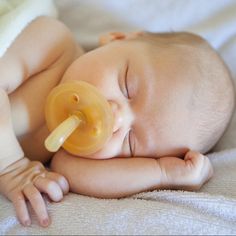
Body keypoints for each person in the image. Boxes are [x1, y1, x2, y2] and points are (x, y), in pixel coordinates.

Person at [0, 14, 235, 228]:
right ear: (117, 38)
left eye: (130, 142)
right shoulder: (51, 43)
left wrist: (163, 173)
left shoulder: (66, 154)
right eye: (127, 86)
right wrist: (10, 166)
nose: (114, 120)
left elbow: (76, 173)